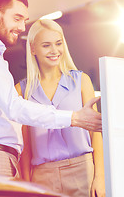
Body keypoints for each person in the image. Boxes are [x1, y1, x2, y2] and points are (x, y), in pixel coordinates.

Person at [0, 0, 102, 178]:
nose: (22, 27)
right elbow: (14, 108)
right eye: (17, 18)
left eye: (24, 20)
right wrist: (73, 118)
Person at [16, 19, 105, 196]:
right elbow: (24, 147)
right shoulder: (22, 91)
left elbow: (96, 133)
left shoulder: (81, 81)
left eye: (58, 43)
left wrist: (100, 177)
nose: (54, 50)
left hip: (82, 171)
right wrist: (25, 186)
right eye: (46, 45)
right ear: (33, 48)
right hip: (42, 177)